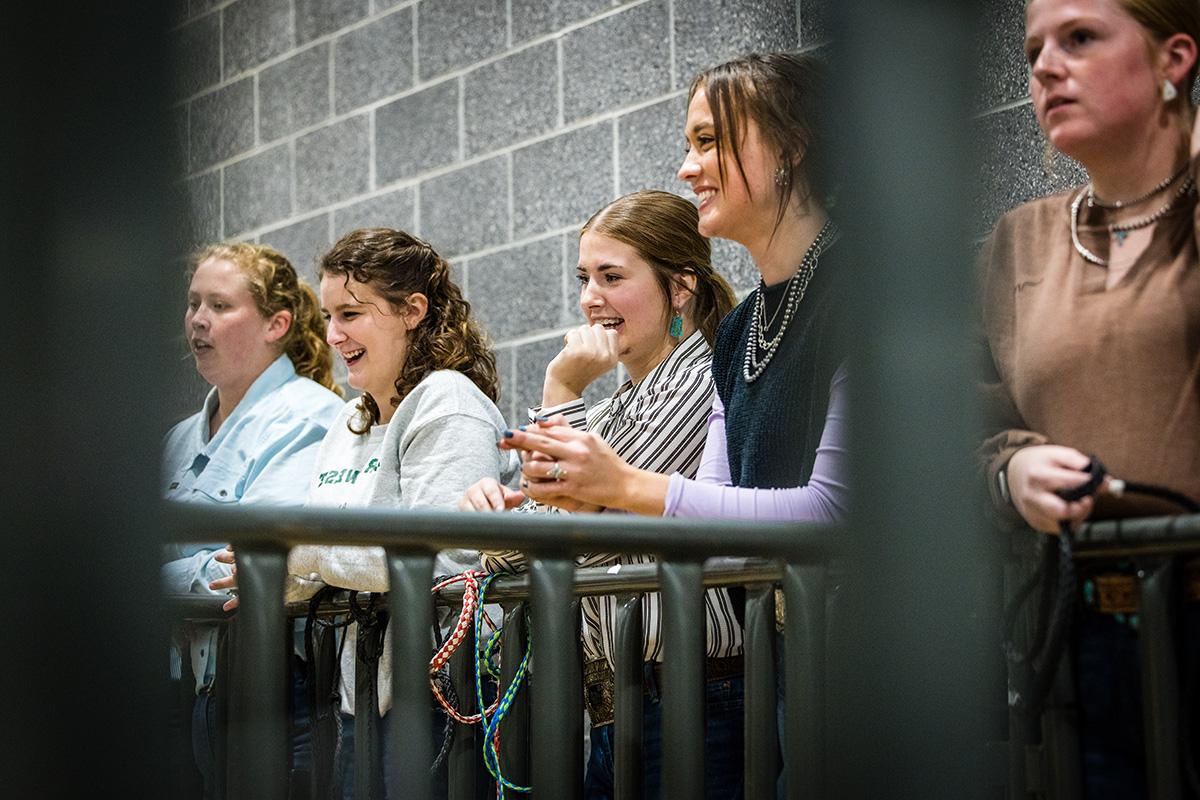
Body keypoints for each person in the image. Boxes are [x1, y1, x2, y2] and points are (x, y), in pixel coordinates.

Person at [498, 52, 850, 797]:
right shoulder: (745, 325)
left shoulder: (859, 287)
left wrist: (617, 483)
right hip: (791, 659)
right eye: (688, 145)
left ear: (791, 148)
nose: (688, 168)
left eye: (709, 141)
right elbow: (709, 522)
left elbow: (834, 510)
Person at [979, 0, 1200, 795]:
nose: (1043, 66)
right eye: (1034, 47)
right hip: (1088, 629)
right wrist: (1013, 471)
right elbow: (971, 428)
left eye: (1079, 39)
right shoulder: (1022, 240)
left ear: (1174, 59)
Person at [458, 189, 739, 799]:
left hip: (696, 694)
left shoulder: (704, 380)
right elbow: (520, 541)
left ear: (680, 287)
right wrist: (495, 516)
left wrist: (560, 386)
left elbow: (575, 531)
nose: (590, 299)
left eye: (612, 276)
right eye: (584, 277)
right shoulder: (612, 410)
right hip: (617, 705)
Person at [280, 228, 518, 798]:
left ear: (413, 311)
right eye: (328, 316)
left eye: (351, 315)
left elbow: (421, 555)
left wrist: (294, 554)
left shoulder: (448, 399)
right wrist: (270, 575)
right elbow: (325, 560)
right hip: (358, 699)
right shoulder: (347, 421)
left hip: (438, 699)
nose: (334, 335)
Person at [161, 242, 345, 800]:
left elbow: (248, 565)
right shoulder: (175, 438)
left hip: (274, 692)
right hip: (191, 686)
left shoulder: (309, 415)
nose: (197, 319)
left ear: (277, 324)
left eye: (219, 305)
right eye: (194, 303)